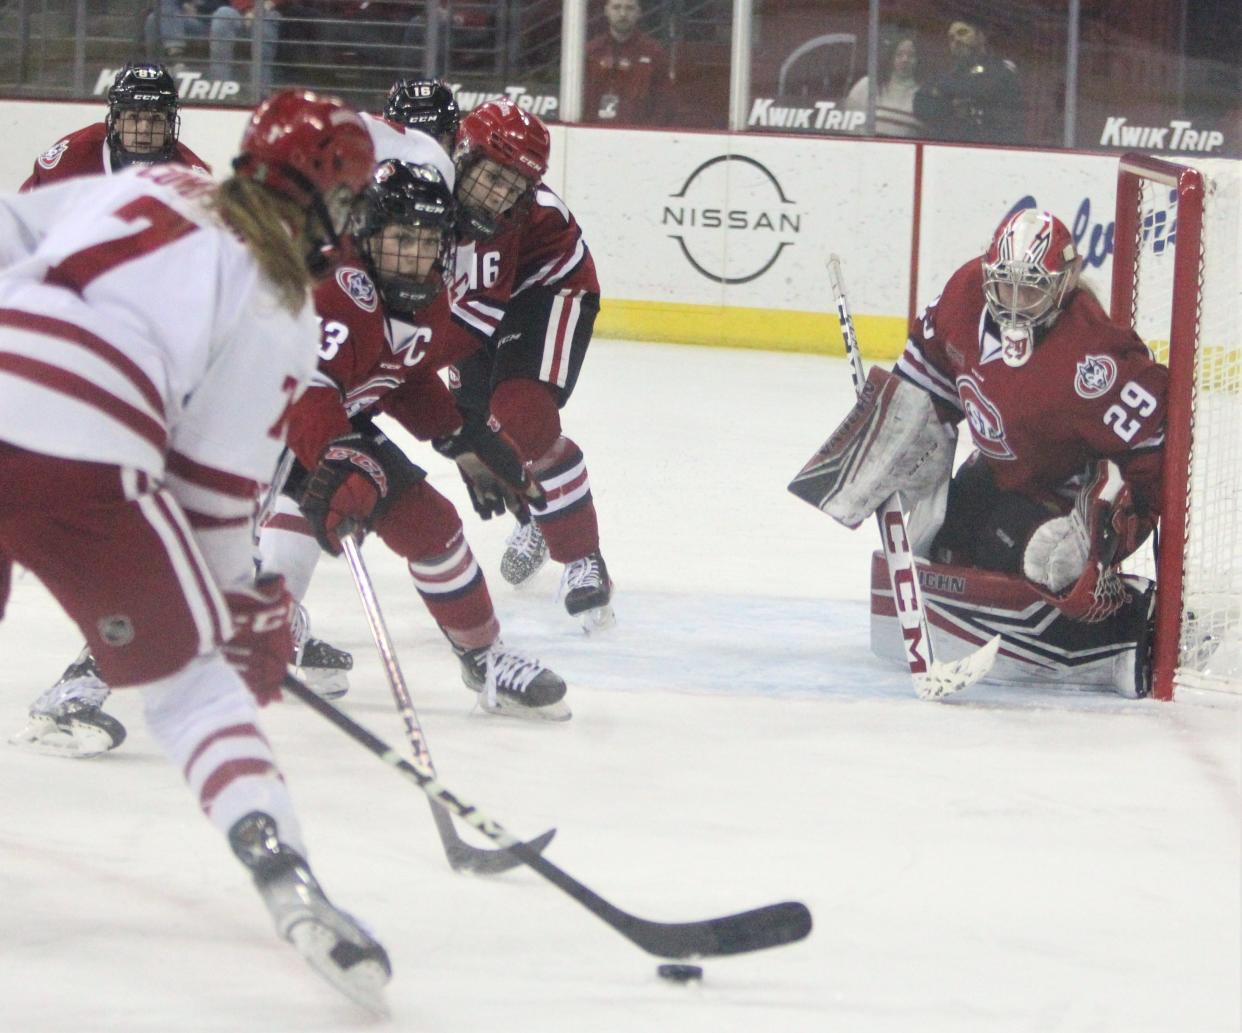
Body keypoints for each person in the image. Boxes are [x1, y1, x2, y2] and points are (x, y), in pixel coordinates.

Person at [0, 89, 390, 1006]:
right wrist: (236, 610)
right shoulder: (281, 309)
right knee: (189, 690)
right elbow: (213, 501)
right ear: (325, 196)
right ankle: (283, 870)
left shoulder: (155, 181)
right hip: (80, 454)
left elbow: (12, 232)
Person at [803, 209, 1166, 697]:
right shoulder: (966, 294)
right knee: (945, 547)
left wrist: (1113, 529)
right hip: (1001, 470)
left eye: (1032, 288)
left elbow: (1152, 447)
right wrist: (895, 436)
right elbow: (925, 371)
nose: (1014, 302)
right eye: (1006, 284)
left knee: (1020, 558)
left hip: (1065, 493)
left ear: (1064, 285)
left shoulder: (1092, 357)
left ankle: (1125, 618)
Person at [258, 158, 571, 720]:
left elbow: (401, 375)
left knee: (431, 525)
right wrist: (340, 457)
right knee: (223, 554)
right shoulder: (338, 288)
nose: (416, 253)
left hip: (327, 427)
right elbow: (308, 389)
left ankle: (485, 660)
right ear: (369, 235)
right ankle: (91, 677)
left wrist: (460, 433)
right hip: (248, 427)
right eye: (402, 237)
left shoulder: (424, 296)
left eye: (429, 240)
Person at [447, 100, 614, 630]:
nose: (500, 194)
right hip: (480, 301)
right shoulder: (424, 189)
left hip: (550, 287)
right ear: (463, 155)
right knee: (481, 431)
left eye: (514, 183)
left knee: (519, 416)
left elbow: (471, 315)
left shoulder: (508, 222)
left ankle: (584, 557)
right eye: (493, 176)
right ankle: (538, 515)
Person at [21, 62, 210, 191]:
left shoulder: (192, 178)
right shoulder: (72, 157)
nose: (144, 129)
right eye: (134, 117)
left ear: (170, 124)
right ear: (117, 121)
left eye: (156, 119)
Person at [913, 17, 1023, 144]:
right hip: (949, 149)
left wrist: (944, 95)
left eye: (962, 33)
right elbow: (920, 106)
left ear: (981, 37)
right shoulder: (943, 75)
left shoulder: (1001, 69)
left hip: (990, 148)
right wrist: (953, 103)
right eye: (951, 38)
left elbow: (986, 89)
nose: (956, 40)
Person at [584, 0, 674, 126]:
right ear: (606, 11)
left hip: (638, 135)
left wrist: (650, 132)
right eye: (616, 7)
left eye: (629, 8)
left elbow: (664, 100)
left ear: (639, 12)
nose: (623, 14)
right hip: (593, 131)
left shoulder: (654, 53)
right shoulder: (591, 51)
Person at [842, 33, 923, 139]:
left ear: (918, 60)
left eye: (911, 55)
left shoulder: (924, 95)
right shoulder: (867, 85)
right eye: (899, 54)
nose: (905, 60)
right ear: (891, 57)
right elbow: (848, 124)